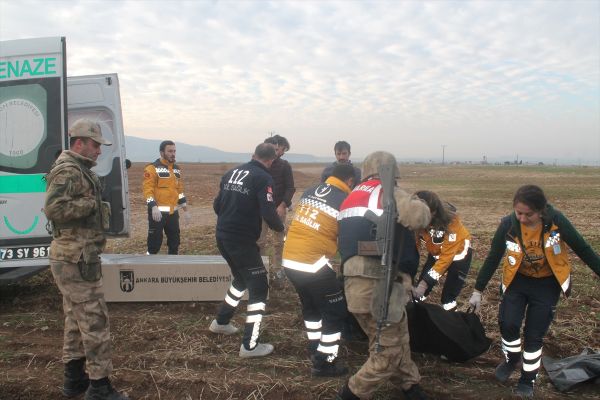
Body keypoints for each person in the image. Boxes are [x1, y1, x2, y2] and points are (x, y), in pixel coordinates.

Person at [468, 184, 600, 397]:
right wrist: (478, 289)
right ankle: (512, 358)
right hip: (518, 280)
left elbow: (583, 249)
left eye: (528, 214)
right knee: (508, 323)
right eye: (518, 212)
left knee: (534, 335)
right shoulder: (508, 225)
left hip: (547, 285)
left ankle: (527, 379)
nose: (521, 218)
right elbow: (493, 256)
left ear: (541, 211)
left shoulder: (557, 221)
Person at [336, 151, 431, 400]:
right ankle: (351, 393)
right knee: (387, 352)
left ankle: (410, 385)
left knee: (395, 338)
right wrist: (418, 202)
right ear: (393, 173)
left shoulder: (351, 197)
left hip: (353, 283)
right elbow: (418, 216)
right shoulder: (387, 192)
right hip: (380, 283)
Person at [44, 119, 128, 400]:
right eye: (95, 145)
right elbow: (53, 208)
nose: (98, 151)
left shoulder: (78, 169)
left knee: (74, 319)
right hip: (74, 258)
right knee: (94, 321)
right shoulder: (68, 170)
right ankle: (100, 387)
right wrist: (92, 204)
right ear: (79, 142)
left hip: (75, 256)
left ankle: (74, 380)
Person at [209, 143, 285, 358]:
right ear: (271, 160)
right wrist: (282, 230)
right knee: (259, 287)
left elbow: (217, 205)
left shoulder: (233, 172)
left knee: (241, 279)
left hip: (223, 235)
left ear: (254, 155)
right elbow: (268, 213)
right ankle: (250, 345)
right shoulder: (263, 178)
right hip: (241, 239)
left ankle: (221, 322)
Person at [282, 163, 356, 377]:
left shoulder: (310, 190)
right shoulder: (345, 200)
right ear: (350, 181)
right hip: (312, 264)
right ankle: (325, 363)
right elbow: (347, 236)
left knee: (311, 307)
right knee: (336, 311)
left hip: (290, 260)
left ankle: (314, 348)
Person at [411, 190, 473, 311]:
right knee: (418, 294)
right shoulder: (416, 219)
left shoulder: (451, 221)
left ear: (433, 212)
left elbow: (447, 257)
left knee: (447, 298)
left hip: (459, 257)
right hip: (436, 254)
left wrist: (425, 283)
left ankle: (453, 322)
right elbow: (414, 248)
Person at [142, 140, 190, 255]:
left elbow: (179, 190)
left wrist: (185, 209)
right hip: (157, 214)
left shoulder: (176, 169)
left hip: (173, 214)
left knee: (175, 242)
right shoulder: (151, 168)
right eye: (169, 151)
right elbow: (147, 191)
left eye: (174, 151)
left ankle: (172, 268)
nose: (173, 154)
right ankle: (148, 266)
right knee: (154, 243)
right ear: (162, 152)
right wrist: (153, 207)